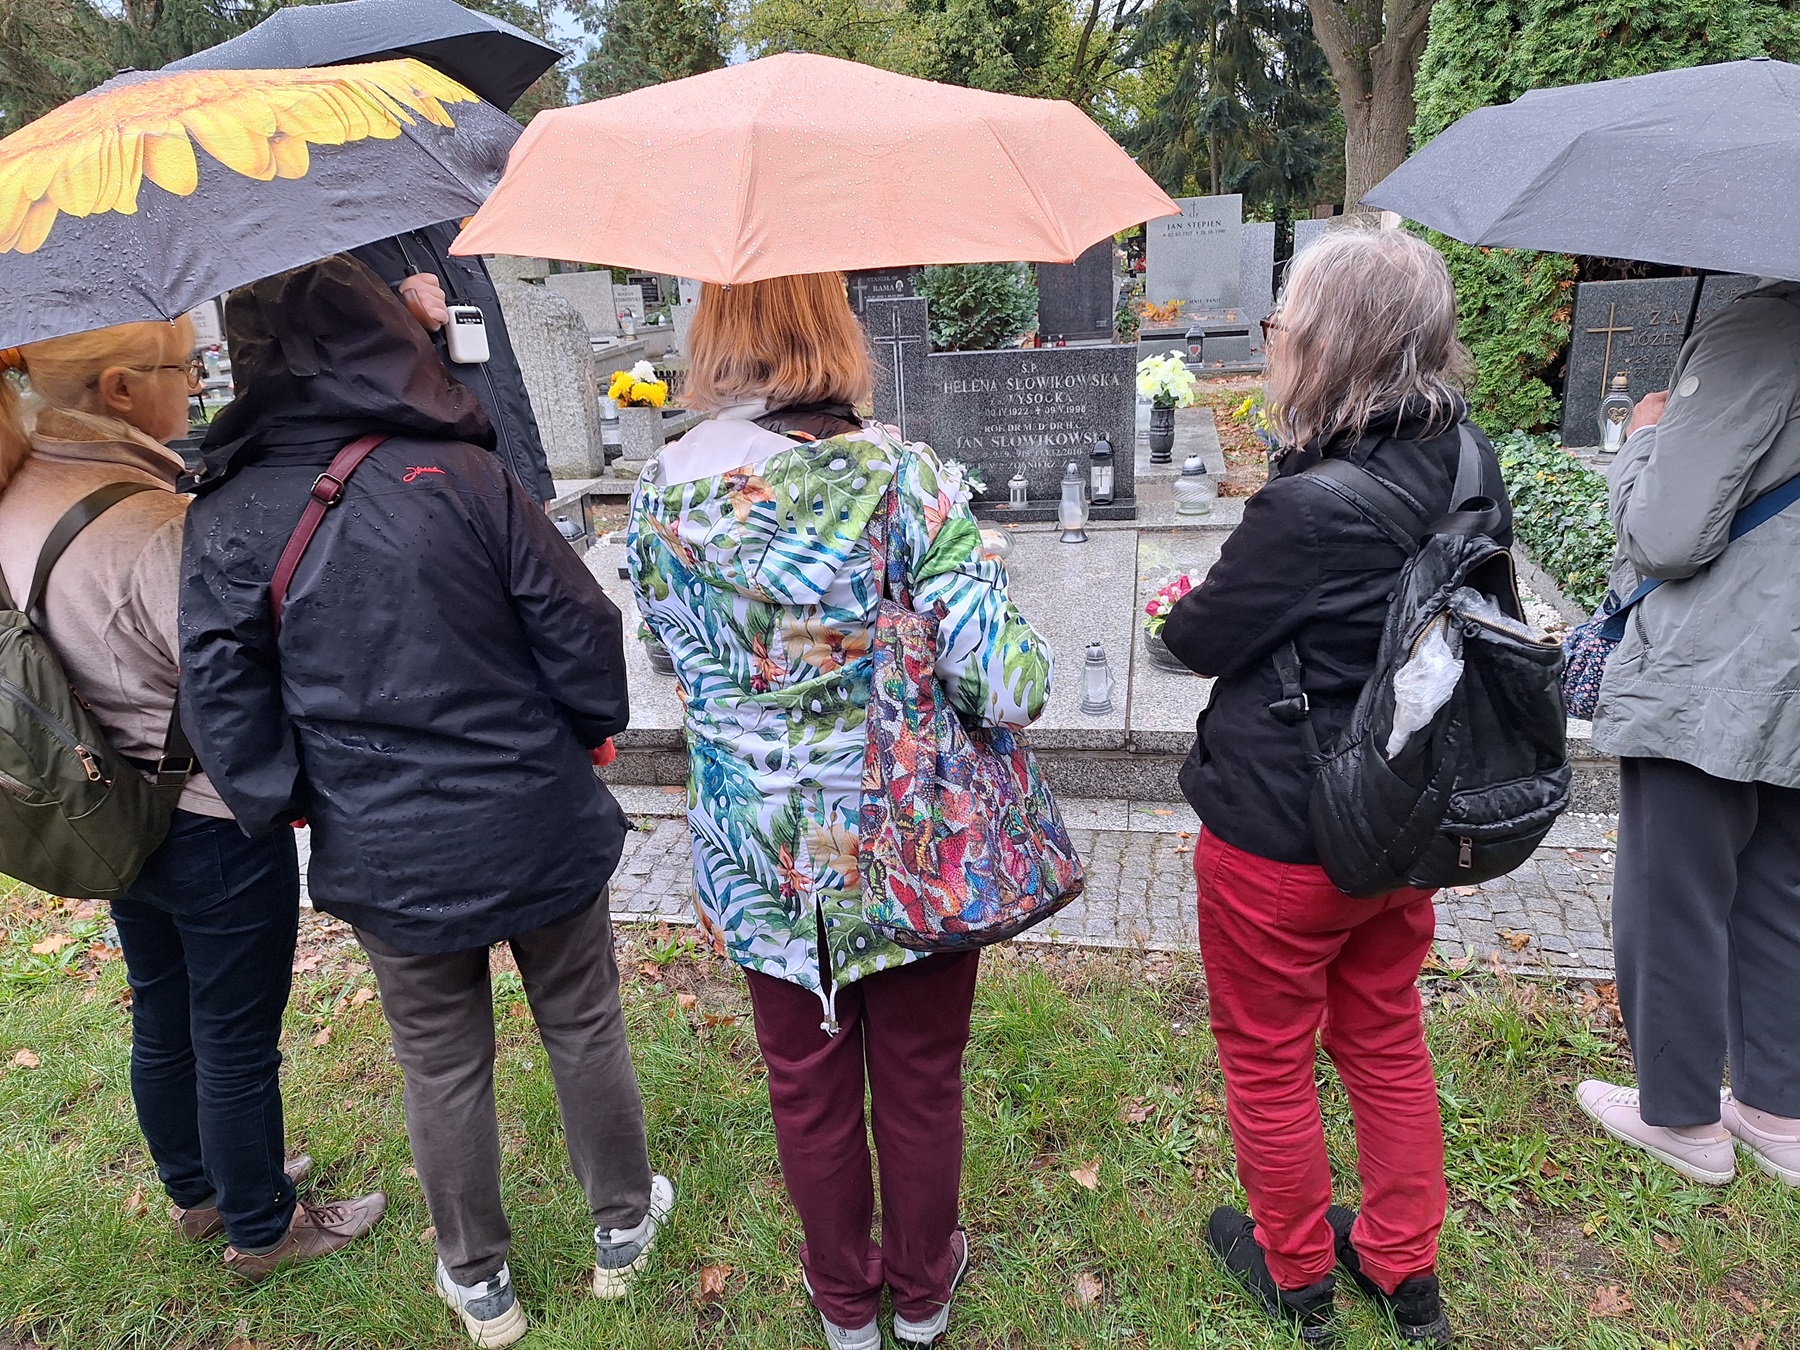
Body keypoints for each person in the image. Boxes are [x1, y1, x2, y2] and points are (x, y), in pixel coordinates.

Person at [177, 255, 671, 1349]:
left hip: (384, 840)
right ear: (376, 335)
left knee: (441, 1060)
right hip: (533, 810)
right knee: (582, 1021)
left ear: (251, 360)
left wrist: (290, 799)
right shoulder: (464, 474)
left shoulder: (226, 513)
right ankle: (623, 1226)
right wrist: (589, 728)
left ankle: (479, 1280)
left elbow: (220, 697)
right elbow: (580, 624)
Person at [626, 273, 1051, 1350]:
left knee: (805, 1086)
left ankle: (844, 1307)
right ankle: (923, 1295)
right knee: (921, 1079)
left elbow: (668, 652)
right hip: (905, 839)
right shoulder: (909, 482)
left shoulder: (663, 495)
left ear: (716, 335)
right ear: (834, 331)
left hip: (762, 854)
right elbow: (1009, 687)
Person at [1161, 229, 1510, 1347]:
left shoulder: (1308, 507)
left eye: (1284, 325)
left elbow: (1200, 637)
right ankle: (1405, 1268)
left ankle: (1299, 1273)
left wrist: (1184, 603)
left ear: (1325, 343)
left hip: (1285, 832)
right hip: (1406, 814)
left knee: (1270, 1056)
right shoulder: (1470, 461)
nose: (1274, 342)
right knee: (1385, 1034)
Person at [0, 321, 385, 1278]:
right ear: (121, 388)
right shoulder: (150, 526)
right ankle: (264, 1227)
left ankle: (199, 1191)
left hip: (109, 808)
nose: (199, 379)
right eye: (185, 366)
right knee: (235, 1035)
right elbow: (233, 682)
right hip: (206, 819)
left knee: (163, 1012)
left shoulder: (17, 490)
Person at [1574, 281, 1800, 1190]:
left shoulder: (1765, 326)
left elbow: (1666, 536)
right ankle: (1778, 1110)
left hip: (1718, 665)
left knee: (1672, 893)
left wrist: (1642, 438)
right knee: (1778, 892)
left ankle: (1681, 1118)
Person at [353, 222, 557, 502]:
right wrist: (396, 307)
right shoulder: (346, 250)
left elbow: (506, 366)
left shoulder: (453, 234)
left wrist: (537, 482)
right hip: (439, 490)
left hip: (515, 483)